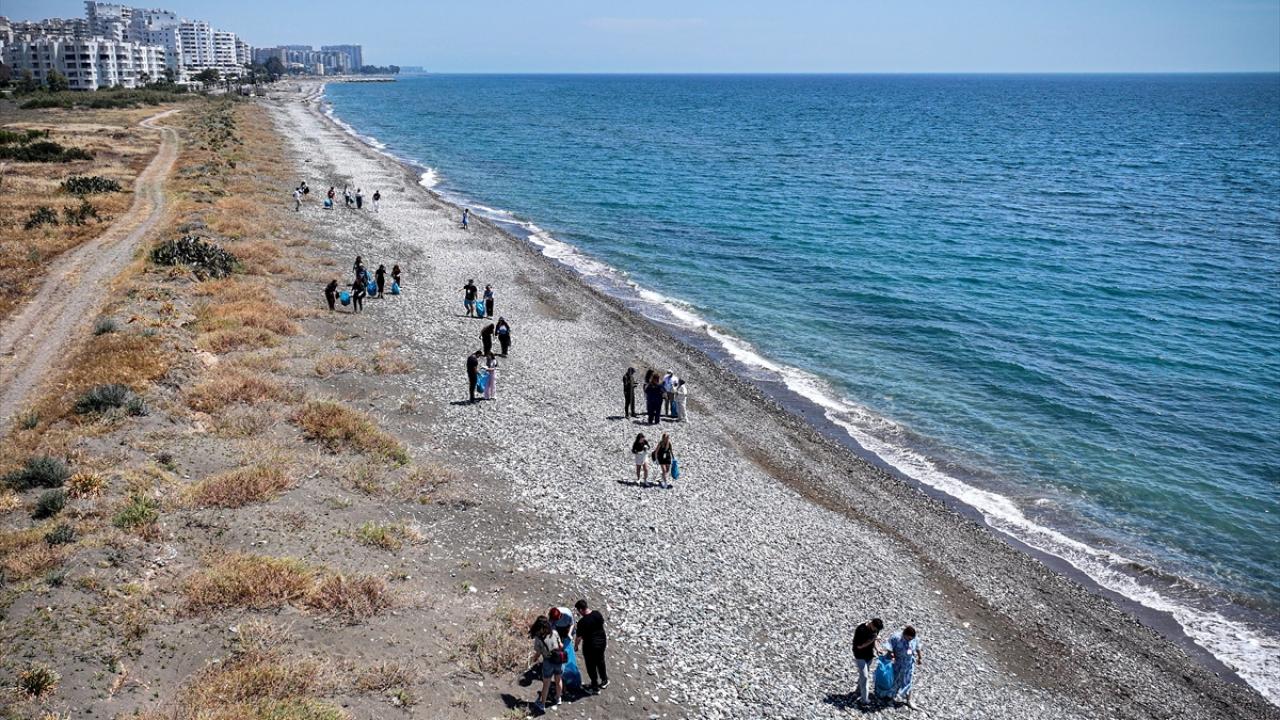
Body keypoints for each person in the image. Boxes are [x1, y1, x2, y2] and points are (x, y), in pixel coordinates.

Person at [529, 615, 564, 715]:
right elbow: (561, 645)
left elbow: (538, 653)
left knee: (546, 684)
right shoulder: (554, 632)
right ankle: (558, 698)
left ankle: (542, 704)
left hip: (548, 661)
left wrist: (534, 659)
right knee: (558, 680)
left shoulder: (538, 639)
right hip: (558, 659)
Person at [574, 599, 608, 693]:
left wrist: (576, 646)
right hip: (602, 642)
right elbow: (601, 624)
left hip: (590, 646)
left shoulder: (582, 622)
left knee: (591, 665)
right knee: (600, 661)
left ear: (581, 610)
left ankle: (594, 686)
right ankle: (604, 680)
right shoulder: (597, 614)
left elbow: (579, 637)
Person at [889, 625, 923, 709]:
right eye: (909, 638)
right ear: (904, 634)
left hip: (908, 665)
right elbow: (889, 648)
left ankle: (909, 700)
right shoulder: (896, 638)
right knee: (895, 680)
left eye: (911, 639)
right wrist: (891, 655)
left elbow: (918, 648)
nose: (910, 640)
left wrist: (919, 658)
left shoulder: (914, 639)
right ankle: (891, 697)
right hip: (897, 664)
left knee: (908, 682)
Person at [852, 618, 884, 707]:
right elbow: (859, 646)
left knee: (863, 675)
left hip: (869, 655)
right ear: (872, 624)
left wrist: (877, 649)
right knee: (865, 676)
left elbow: (874, 642)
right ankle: (864, 700)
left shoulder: (875, 630)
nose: (876, 631)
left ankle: (858, 691)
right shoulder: (861, 629)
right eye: (876, 629)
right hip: (859, 656)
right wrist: (873, 639)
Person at [548, 607, 581, 691]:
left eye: (558, 619)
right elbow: (551, 628)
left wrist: (569, 634)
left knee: (567, 653)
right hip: (558, 631)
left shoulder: (567, 613)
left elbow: (572, 624)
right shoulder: (552, 617)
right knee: (559, 654)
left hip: (566, 630)